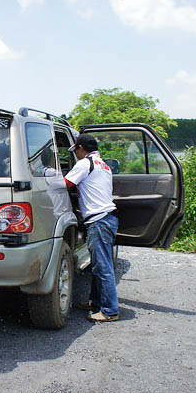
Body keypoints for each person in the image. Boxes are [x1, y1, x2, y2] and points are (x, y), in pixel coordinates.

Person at [64, 133, 120, 322]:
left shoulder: (84, 164)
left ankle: (110, 311)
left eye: (76, 150)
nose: (76, 154)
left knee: (103, 267)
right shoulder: (103, 165)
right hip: (107, 219)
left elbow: (65, 184)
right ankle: (96, 303)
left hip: (99, 221)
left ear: (80, 148)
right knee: (99, 265)